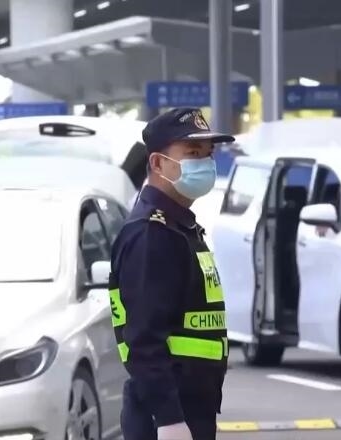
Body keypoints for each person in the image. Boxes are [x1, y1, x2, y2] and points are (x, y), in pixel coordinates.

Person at [109, 108, 233, 440]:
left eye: (208, 153)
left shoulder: (180, 227)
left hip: (190, 407)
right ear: (158, 163)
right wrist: (168, 419)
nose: (205, 163)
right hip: (166, 415)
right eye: (192, 153)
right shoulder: (153, 234)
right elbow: (143, 339)